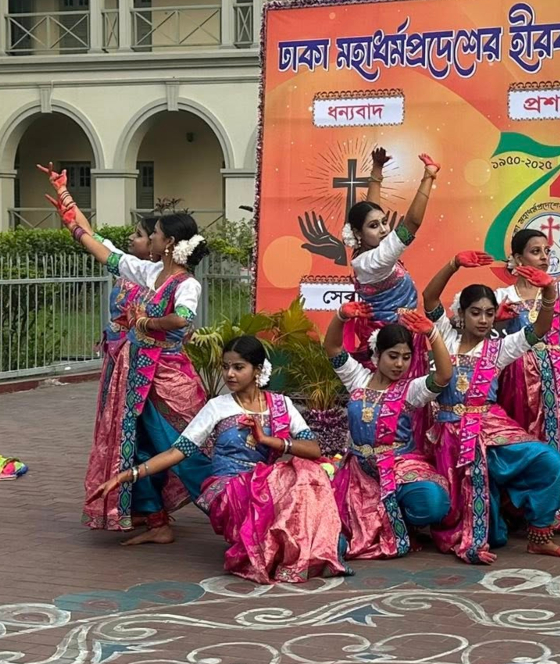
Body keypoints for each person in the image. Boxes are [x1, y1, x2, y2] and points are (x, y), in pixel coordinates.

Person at [88, 337, 350, 583]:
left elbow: (314, 448)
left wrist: (269, 441)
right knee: (282, 489)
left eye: (238, 367)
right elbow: (176, 452)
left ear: (257, 370)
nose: (229, 374)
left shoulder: (282, 404)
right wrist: (126, 475)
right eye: (225, 367)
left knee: (308, 473)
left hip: (267, 485)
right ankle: (314, 548)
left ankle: (313, 549)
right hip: (229, 489)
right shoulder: (218, 406)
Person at [45, 170, 213, 544]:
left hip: (166, 378)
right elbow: (104, 251)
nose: (148, 236)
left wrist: (147, 322)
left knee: (180, 445)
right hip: (134, 377)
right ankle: (156, 521)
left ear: (169, 242)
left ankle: (235, 508)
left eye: (153, 233)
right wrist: (69, 210)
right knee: (135, 443)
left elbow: (182, 320)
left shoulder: (187, 284)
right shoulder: (148, 271)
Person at [422, 249, 560, 563]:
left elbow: (538, 330)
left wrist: (548, 293)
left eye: (489, 313)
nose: (483, 319)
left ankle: (540, 534)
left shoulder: (499, 347)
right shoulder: (445, 337)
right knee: (492, 535)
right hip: (452, 437)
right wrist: (452, 263)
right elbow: (429, 297)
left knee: (550, 462)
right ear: (461, 314)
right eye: (475, 312)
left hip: (491, 428)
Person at [496, 230, 560, 542]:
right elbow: (463, 320)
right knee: (530, 452)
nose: (543, 257)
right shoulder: (503, 297)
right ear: (517, 259)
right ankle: (526, 514)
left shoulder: (558, 290)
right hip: (519, 387)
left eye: (546, 251)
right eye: (534, 251)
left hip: (556, 384)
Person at [324, 307, 453, 559]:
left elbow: (444, 375)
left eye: (406, 358)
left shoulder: (411, 389)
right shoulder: (357, 379)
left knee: (434, 502)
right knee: (336, 528)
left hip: (399, 465)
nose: (399, 364)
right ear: (377, 354)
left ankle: (403, 518)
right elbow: (332, 348)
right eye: (393, 356)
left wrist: (432, 333)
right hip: (359, 472)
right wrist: (341, 316)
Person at [341, 147, 440, 367]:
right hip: (393, 343)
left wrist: (377, 170)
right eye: (374, 226)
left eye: (385, 222)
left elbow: (372, 210)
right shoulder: (374, 261)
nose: (384, 230)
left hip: (399, 334)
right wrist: (428, 176)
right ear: (358, 233)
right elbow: (412, 223)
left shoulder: (366, 251)